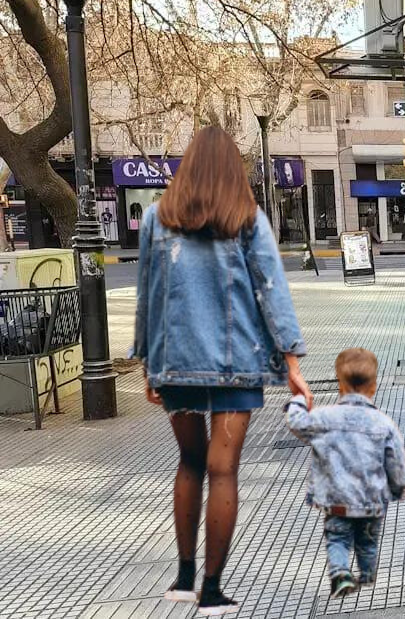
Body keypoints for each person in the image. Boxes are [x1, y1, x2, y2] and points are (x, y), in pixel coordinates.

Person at [132, 126, 311, 616]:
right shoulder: (246, 219)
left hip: (177, 366)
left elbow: (147, 296)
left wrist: (148, 363)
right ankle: (211, 591)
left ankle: (183, 578)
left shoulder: (156, 220)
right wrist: (292, 362)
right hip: (236, 365)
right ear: (234, 170)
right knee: (223, 470)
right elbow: (272, 291)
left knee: (189, 462)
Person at [284, 348, 405, 599]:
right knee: (367, 538)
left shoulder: (324, 418)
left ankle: (341, 573)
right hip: (371, 501)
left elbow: (296, 421)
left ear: (340, 386)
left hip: (336, 501)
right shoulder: (383, 423)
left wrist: (299, 399)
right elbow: (396, 462)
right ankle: (367, 572)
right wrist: (398, 487)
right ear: (373, 387)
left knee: (337, 538)